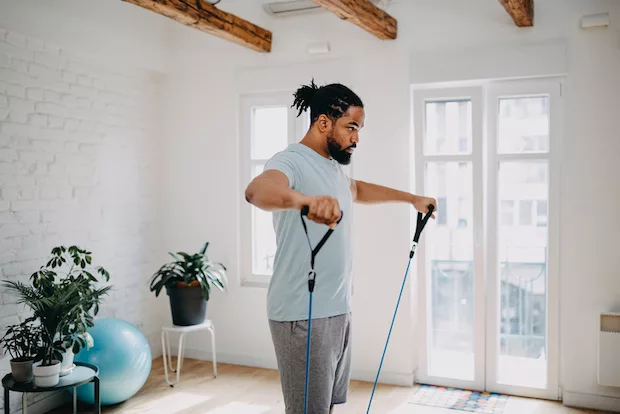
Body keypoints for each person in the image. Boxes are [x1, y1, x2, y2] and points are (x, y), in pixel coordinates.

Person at [244, 79, 437, 414]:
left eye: (359, 129)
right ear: (323, 123)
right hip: (302, 315)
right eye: (351, 127)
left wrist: (411, 200)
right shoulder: (290, 160)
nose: (356, 138)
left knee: (327, 407)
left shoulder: (330, 166)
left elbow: (357, 190)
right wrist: (303, 201)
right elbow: (257, 190)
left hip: (337, 310)